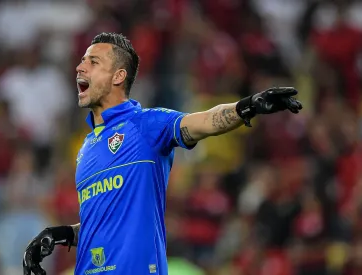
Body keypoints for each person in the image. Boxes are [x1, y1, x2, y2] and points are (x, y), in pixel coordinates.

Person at [22, 32, 302, 275]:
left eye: (93, 62)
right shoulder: (85, 148)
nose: (80, 68)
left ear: (119, 76)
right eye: (82, 60)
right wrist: (61, 235)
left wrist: (246, 107)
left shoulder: (146, 125)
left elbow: (201, 121)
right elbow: (105, 220)